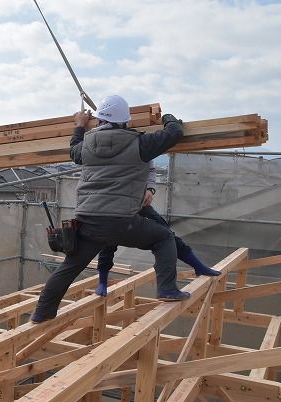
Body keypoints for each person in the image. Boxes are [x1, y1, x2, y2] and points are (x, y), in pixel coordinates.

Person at [31, 94, 190, 324]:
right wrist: (167, 117)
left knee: (69, 267)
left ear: (99, 121)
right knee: (164, 238)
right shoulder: (140, 144)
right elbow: (174, 133)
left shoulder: (85, 145)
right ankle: (167, 288)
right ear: (126, 120)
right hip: (121, 222)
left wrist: (79, 126)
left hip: (88, 221)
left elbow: (73, 149)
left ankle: (42, 313)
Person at [94, 164, 221, 296]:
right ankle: (102, 282)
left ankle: (198, 266)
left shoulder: (139, 145)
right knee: (108, 240)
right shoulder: (109, 150)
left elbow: (149, 169)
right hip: (111, 201)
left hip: (137, 199)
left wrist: (149, 189)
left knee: (167, 235)